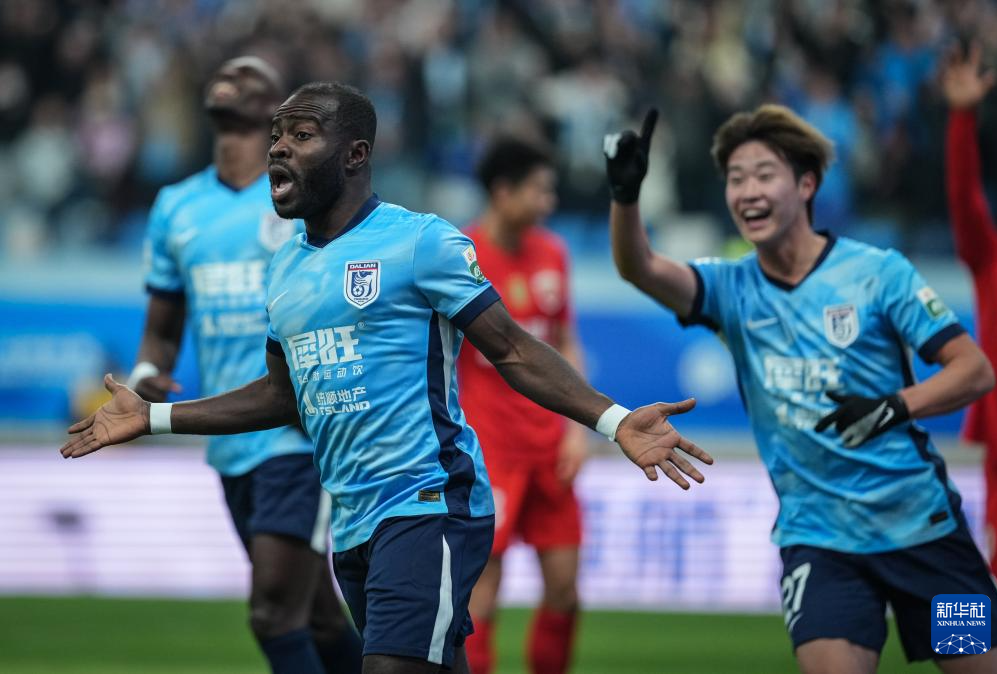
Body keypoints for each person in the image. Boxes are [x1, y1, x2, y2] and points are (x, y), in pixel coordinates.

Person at [61, 81, 713, 674]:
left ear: (355, 155)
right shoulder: (284, 269)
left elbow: (512, 349)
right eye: (277, 135)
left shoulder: (420, 242)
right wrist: (153, 416)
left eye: (302, 134)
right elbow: (281, 396)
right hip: (352, 522)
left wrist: (612, 420)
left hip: (429, 502)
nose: (278, 148)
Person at [604, 104, 997, 673]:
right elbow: (639, 268)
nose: (748, 191)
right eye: (736, 179)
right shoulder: (730, 287)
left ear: (806, 184)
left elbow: (974, 369)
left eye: (763, 174)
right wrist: (626, 197)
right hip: (822, 546)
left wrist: (893, 407)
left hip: (925, 535)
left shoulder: (878, 273)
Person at [126, 58, 362, 674]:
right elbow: (162, 326)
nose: (231, 72)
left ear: (274, 111)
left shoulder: (299, 195)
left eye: (251, 72)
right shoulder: (176, 206)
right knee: (316, 615)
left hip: (296, 435)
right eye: (227, 68)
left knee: (272, 615)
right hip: (229, 436)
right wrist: (147, 373)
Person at [459, 138, 584, 674]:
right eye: (539, 190)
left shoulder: (552, 252)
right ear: (503, 192)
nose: (548, 202)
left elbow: (566, 340)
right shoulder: (460, 255)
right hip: (490, 451)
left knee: (565, 590)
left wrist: (577, 427)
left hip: (550, 447)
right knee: (482, 592)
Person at [941, 42, 997, 608]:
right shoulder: (995, 259)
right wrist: (962, 119)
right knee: (977, 601)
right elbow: (964, 201)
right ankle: (959, 651)